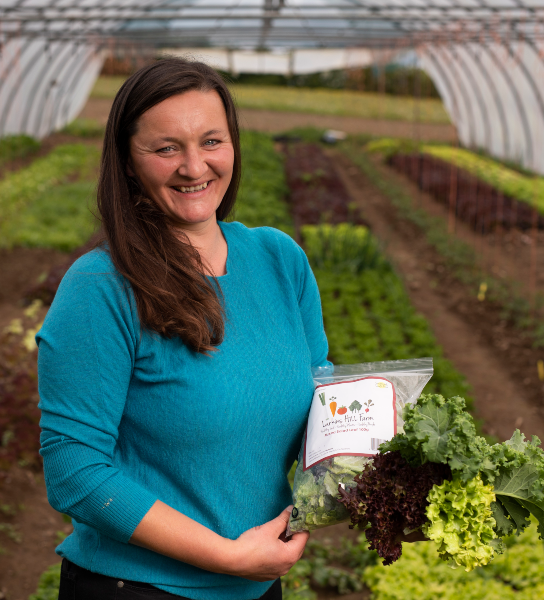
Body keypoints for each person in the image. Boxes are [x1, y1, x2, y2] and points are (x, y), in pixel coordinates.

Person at [36, 57, 331, 600]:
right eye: (166, 148)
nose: (194, 167)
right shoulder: (102, 287)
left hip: (257, 585)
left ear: (234, 145)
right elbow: (75, 469)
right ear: (127, 161)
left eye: (211, 141)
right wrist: (228, 556)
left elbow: (322, 396)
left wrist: (378, 473)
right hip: (139, 588)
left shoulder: (278, 259)